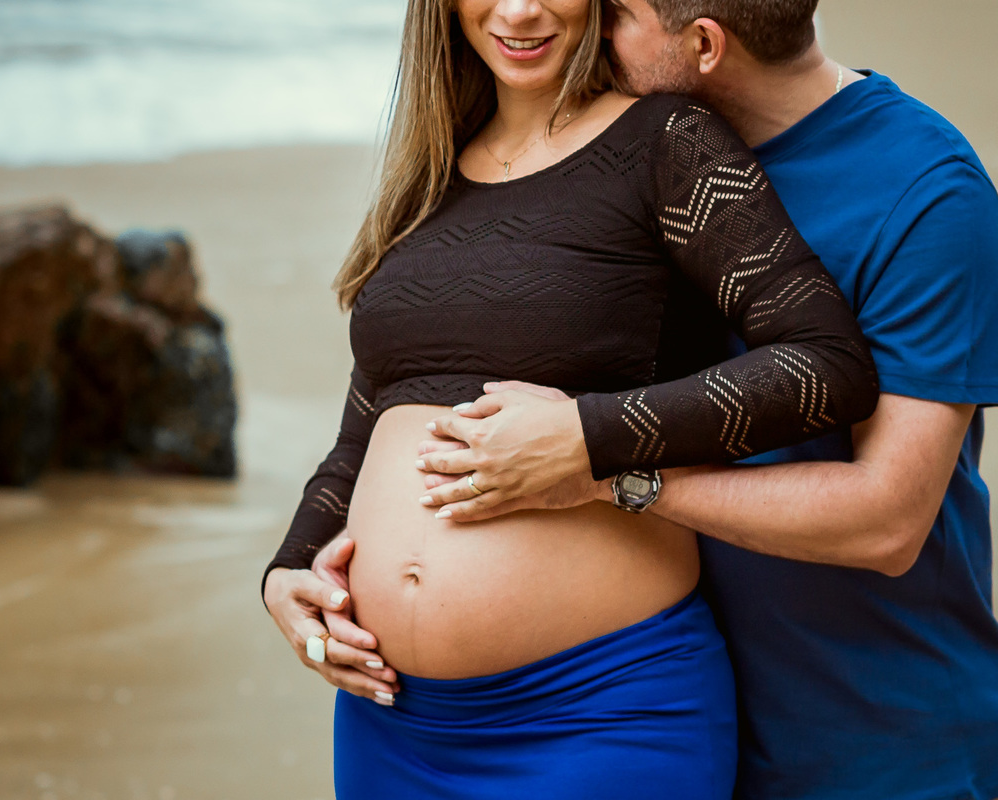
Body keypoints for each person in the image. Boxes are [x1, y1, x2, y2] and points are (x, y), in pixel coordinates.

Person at [262, 0, 879, 797]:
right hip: (391, 721)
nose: (520, 10)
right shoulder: (429, 176)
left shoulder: (666, 140)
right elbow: (369, 427)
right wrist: (286, 572)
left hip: (602, 711)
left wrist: (589, 436)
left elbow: (824, 366)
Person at [398, 1, 998, 798]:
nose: (586, 28)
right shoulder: (624, 155)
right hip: (661, 701)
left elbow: (887, 519)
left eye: (615, 12)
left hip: (877, 737)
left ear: (704, 44)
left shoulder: (927, 195)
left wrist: (606, 471)